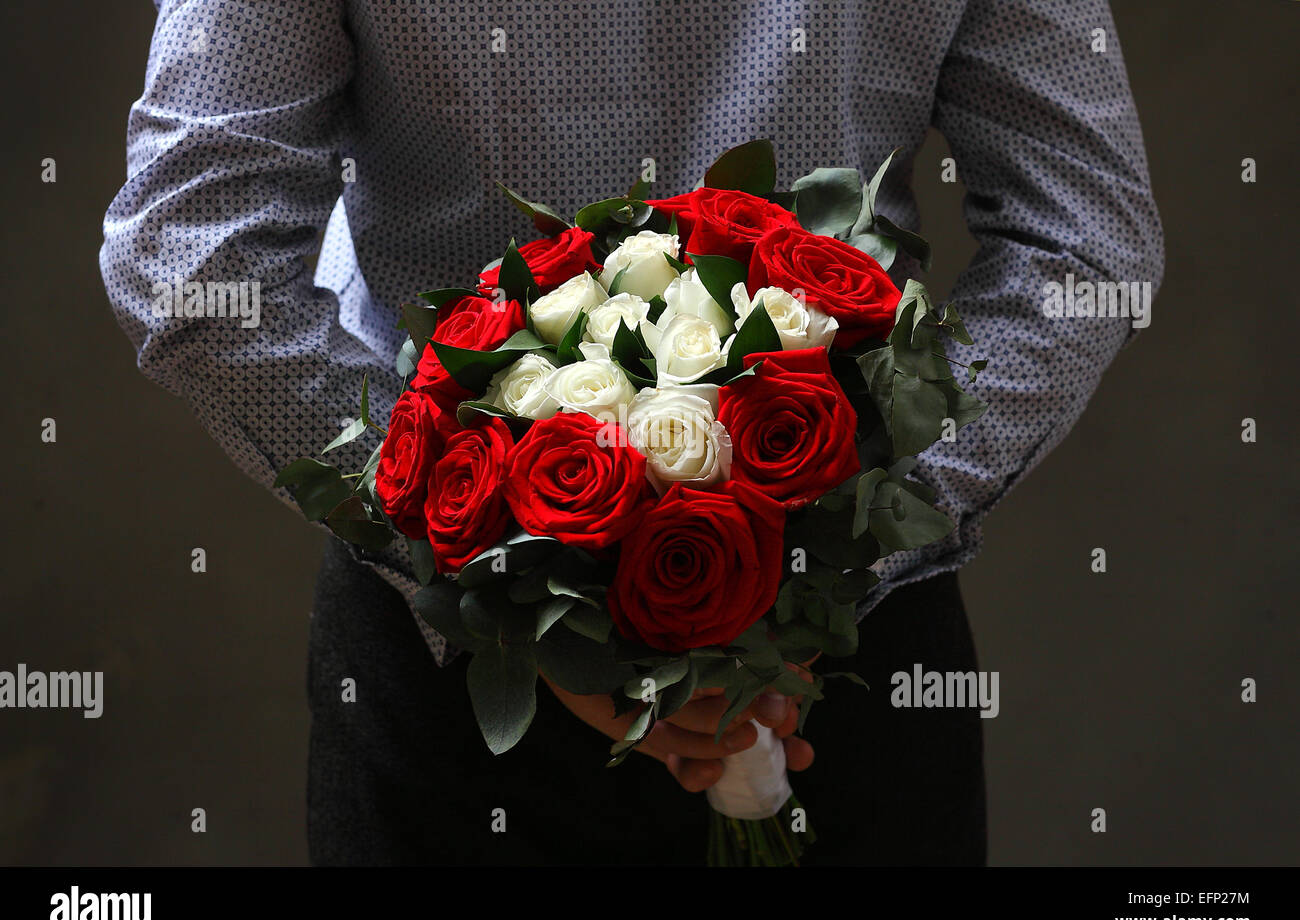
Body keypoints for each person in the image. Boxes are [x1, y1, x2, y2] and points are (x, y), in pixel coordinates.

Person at [100, 0, 1163, 865]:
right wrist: (826, 553)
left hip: (464, 672)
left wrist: (488, 564)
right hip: (828, 671)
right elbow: (1087, 247)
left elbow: (193, 263)